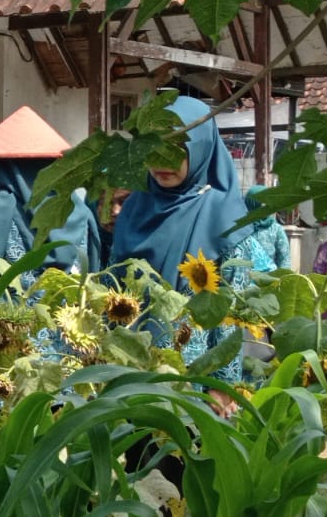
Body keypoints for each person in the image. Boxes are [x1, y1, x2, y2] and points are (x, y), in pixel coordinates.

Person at [110, 94, 275, 389]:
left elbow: (230, 319)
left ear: (201, 148)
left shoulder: (223, 219)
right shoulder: (133, 211)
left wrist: (222, 388)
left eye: (176, 149)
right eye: (154, 149)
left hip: (193, 382)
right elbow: (111, 293)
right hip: (127, 373)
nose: (162, 162)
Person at [0, 106, 102, 282]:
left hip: (8, 309)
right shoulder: (78, 210)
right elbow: (92, 275)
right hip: (71, 308)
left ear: (2, 167)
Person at [244, 185, 294, 271]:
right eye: (263, 202)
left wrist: (281, 280)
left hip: (269, 280)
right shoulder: (241, 228)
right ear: (252, 203)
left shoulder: (276, 229)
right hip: (244, 279)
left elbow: (285, 259)